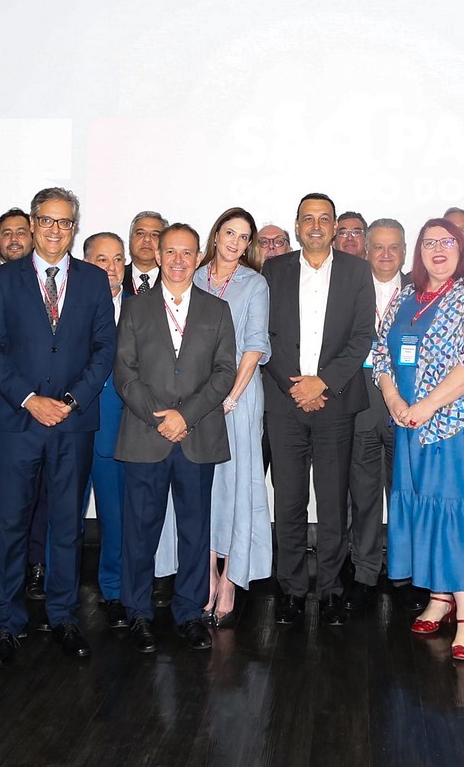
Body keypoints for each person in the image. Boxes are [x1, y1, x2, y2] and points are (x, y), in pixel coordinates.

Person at [0, 187, 117, 669]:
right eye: (47, 221)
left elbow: (105, 349)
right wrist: (30, 399)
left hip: (73, 424)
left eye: (65, 222)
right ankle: (7, 622)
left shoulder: (95, 280)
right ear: (33, 225)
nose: (55, 230)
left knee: (67, 526)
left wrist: (71, 401)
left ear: (74, 228)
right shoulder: (1, 279)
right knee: (10, 525)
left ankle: (63, 617)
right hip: (18, 422)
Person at [373, 217, 464, 664]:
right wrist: (394, 399)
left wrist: (426, 405)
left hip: (458, 426)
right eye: (429, 242)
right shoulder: (406, 297)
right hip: (409, 424)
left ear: (462, 248)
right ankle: (439, 595)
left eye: (447, 242)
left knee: (456, 506)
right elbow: (379, 354)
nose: (438, 249)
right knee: (423, 503)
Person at [116, 222, 237, 652]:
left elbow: (225, 372)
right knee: (140, 532)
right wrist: (160, 418)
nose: (178, 260)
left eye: (187, 252)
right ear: (158, 254)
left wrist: (184, 416)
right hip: (146, 437)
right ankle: (138, 613)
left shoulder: (216, 310)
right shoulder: (135, 308)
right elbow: (124, 373)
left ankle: (188, 613)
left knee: (194, 531)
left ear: (198, 256)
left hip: (196, 435)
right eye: (170, 251)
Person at [262, 193, 374, 626]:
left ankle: (329, 589)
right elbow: (264, 334)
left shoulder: (356, 271)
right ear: (296, 224)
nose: (315, 225)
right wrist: (297, 386)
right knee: (287, 502)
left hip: (336, 403)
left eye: (323, 218)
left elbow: (362, 335)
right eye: (307, 218)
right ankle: (290, 589)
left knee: (332, 504)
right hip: (285, 402)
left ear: (333, 226)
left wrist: (322, 382)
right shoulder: (274, 269)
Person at [196, 208, 272, 626]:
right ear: (216, 234)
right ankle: (206, 572)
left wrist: (231, 395)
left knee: (239, 483)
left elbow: (255, 345)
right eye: (230, 232)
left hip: (238, 400)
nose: (235, 242)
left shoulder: (254, 283)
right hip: (195, 399)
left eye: (244, 238)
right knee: (202, 485)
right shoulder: (192, 276)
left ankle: (230, 578)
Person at [77, 230, 148, 626]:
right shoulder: (67, 304)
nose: (110, 267)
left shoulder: (142, 309)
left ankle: (115, 591)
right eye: (101, 259)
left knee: (116, 518)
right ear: (85, 263)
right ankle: (61, 594)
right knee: (64, 518)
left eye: (118, 259)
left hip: (117, 430)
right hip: (69, 427)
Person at [351, 218, 408, 606]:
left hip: (406, 405)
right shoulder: (350, 289)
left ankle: (406, 571)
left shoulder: (421, 293)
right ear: (367, 250)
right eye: (379, 247)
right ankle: (365, 572)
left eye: (394, 247)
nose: (386, 255)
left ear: (404, 252)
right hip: (359, 403)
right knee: (364, 493)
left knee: (403, 492)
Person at [126, 211, 166, 296]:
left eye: (155, 235)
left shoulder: (173, 279)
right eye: (140, 233)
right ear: (130, 239)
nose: (147, 239)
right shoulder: (116, 276)